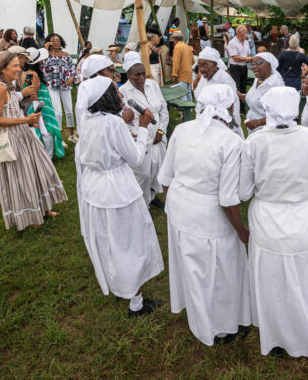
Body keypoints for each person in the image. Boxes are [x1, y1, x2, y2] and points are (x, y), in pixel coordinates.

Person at [239, 86, 308, 360]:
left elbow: (243, 192)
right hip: (305, 216)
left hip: (268, 221)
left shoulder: (255, 143)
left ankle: (277, 336)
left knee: (272, 280)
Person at [158, 84, 250, 344]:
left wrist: (179, 204)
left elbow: (166, 177)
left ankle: (201, 320)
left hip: (179, 209)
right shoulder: (231, 141)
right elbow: (228, 198)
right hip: (212, 218)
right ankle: (221, 328)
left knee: (194, 271)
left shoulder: (182, 129)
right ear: (229, 107)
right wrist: (241, 231)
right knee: (220, 273)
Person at [75, 75, 163, 316]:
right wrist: (143, 128)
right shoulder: (112, 123)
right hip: (118, 189)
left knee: (109, 241)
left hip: (95, 188)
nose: (121, 95)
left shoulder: (87, 119)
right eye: (116, 91)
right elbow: (136, 158)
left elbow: (103, 146)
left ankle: (119, 284)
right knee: (129, 242)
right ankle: (135, 301)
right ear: (106, 97)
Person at [0, 52, 68, 230]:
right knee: (22, 177)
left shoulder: (9, 86)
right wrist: (25, 120)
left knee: (39, 169)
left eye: (19, 65)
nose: (19, 69)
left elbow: (11, 109)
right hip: (11, 138)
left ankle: (44, 208)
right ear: (2, 68)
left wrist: (22, 98)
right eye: (15, 66)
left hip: (24, 134)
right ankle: (30, 216)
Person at [120, 52, 169, 207]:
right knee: (143, 174)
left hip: (158, 139)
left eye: (143, 74)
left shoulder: (152, 85)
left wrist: (161, 131)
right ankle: (142, 204)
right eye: (137, 75)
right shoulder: (123, 92)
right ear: (128, 75)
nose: (141, 78)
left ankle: (152, 196)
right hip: (141, 141)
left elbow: (163, 109)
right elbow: (123, 120)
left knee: (156, 171)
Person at [21, 48, 64, 159]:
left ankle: (43, 156)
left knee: (43, 130)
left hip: (39, 105)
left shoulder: (25, 72)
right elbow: (32, 94)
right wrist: (39, 114)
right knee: (46, 131)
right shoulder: (32, 74)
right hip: (39, 106)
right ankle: (47, 157)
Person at [193, 47, 242, 136]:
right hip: (206, 122)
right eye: (199, 66)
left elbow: (234, 104)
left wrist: (231, 125)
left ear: (215, 64)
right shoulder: (205, 78)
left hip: (222, 125)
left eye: (205, 65)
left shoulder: (225, 79)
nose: (201, 69)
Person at [41, 33, 77, 143]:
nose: (56, 42)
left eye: (58, 40)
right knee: (58, 113)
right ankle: (60, 139)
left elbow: (73, 67)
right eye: (53, 40)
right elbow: (42, 67)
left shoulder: (66, 54)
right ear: (49, 42)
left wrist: (72, 77)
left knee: (70, 111)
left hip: (65, 85)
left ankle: (71, 135)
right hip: (52, 85)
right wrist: (44, 50)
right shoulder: (45, 55)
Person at [240, 52, 284, 133]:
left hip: (267, 131)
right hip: (254, 128)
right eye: (252, 64)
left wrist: (259, 122)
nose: (253, 67)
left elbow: (280, 114)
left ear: (269, 65)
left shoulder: (275, 85)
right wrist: (239, 95)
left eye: (258, 63)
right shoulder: (258, 78)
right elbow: (256, 97)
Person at [227, 25, 253, 109]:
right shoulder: (232, 43)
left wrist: (249, 57)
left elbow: (249, 53)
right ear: (239, 33)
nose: (246, 34)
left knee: (243, 87)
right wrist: (247, 58)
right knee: (236, 87)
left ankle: (242, 108)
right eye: (245, 32)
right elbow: (235, 58)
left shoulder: (246, 42)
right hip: (235, 67)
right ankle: (235, 108)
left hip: (244, 67)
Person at [170, 30, 194, 100]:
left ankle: (185, 110)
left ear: (175, 39)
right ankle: (190, 109)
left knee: (182, 93)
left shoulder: (177, 47)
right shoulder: (187, 46)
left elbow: (176, 62)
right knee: (188, 92)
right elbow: (193, 61)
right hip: (189, 72)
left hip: (182, 73)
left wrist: (174, 74)